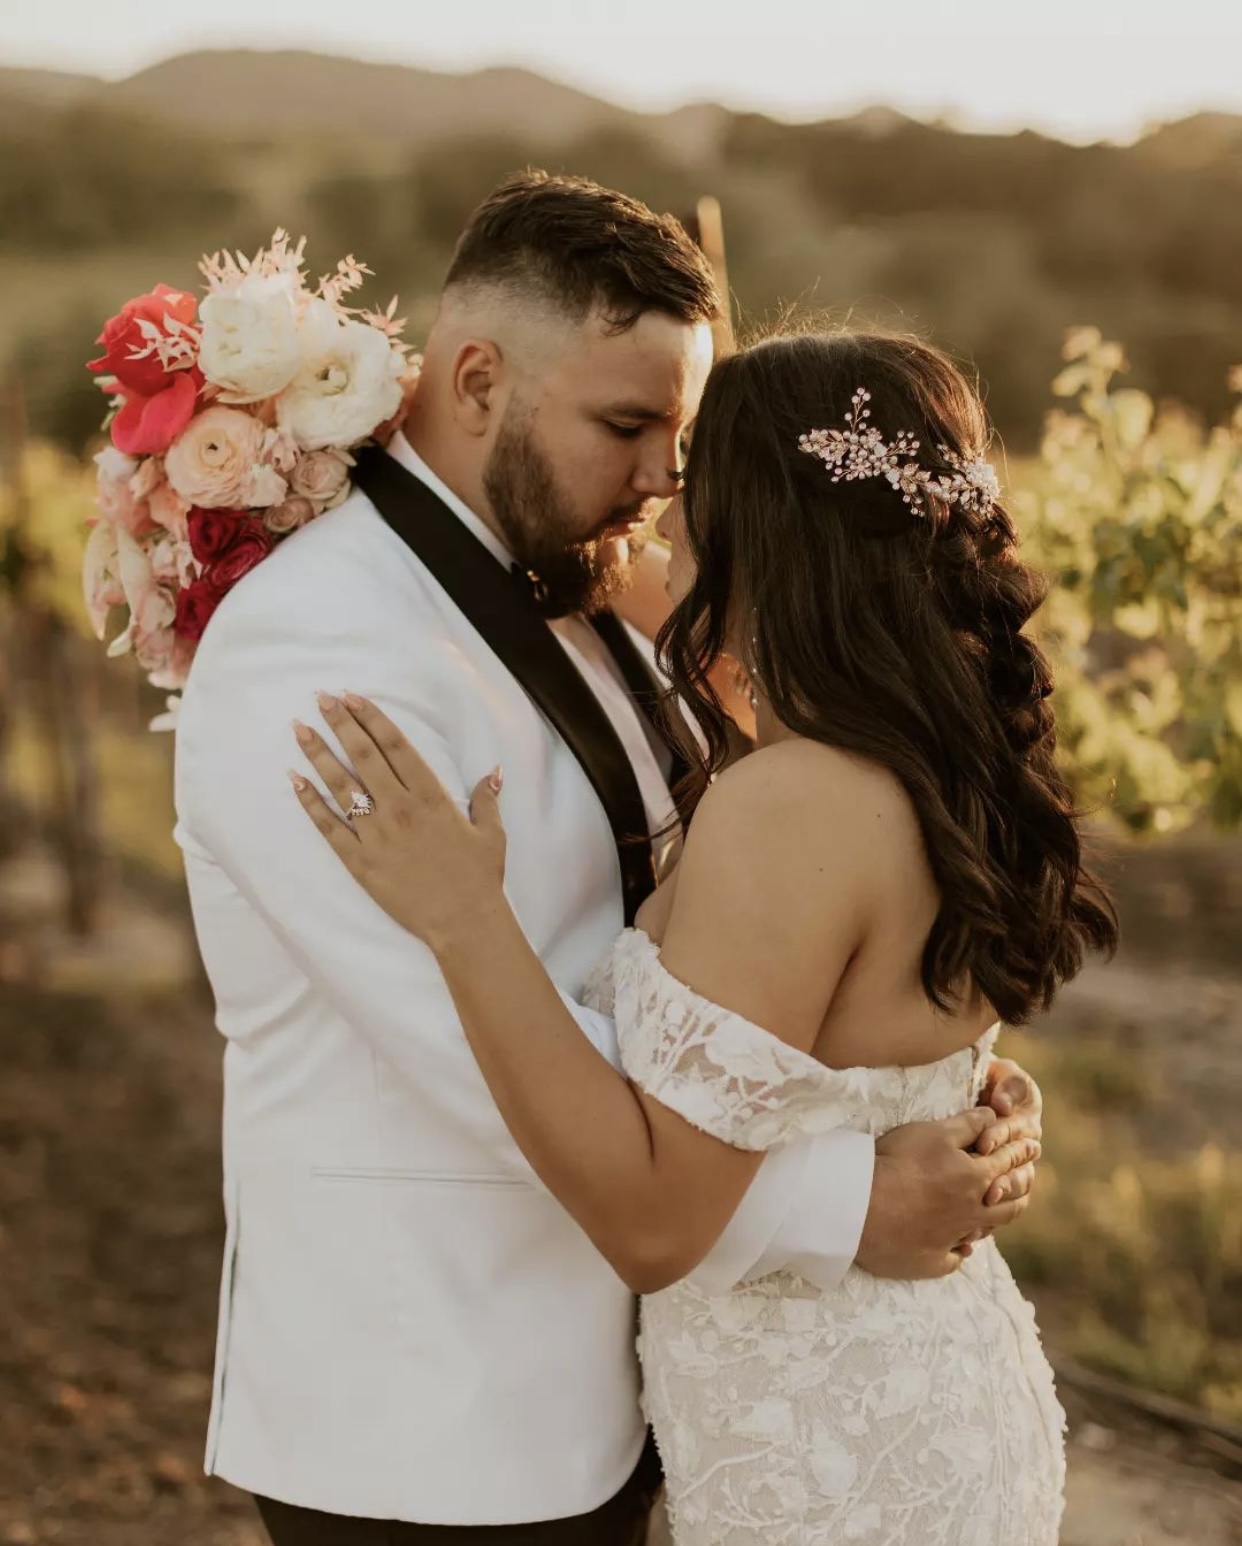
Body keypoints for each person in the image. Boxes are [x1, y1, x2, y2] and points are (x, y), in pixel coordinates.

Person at [174, 175, 1045, 1546]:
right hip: (441, 1414)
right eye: (625, 425)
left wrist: (911, 1087)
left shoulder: (601, 607)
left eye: (678, 440)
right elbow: (464, 1046)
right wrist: (854, 1194)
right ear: (475, 379)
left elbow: (751, 956)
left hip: (635, 1390)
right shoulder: (319, 649)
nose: (657, 479)